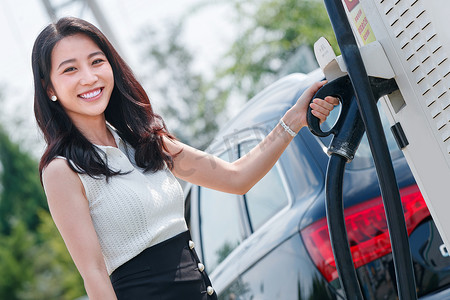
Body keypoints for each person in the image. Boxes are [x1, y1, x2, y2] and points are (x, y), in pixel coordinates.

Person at [32, 16, 338, 300]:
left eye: (96, 61)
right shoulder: (62, 170)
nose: (89, 77)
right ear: (49, 89)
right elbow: (94, 274)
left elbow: (236, 177)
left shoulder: (145, 141)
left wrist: (294, 119)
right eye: (70, 69)